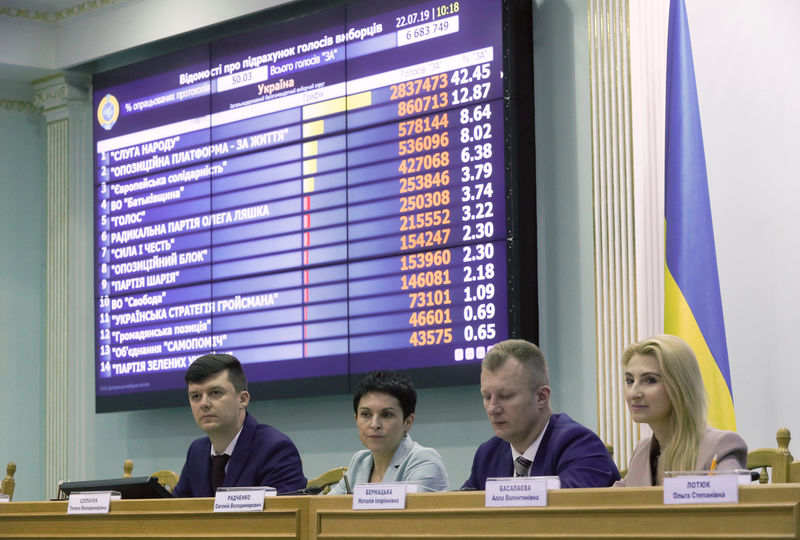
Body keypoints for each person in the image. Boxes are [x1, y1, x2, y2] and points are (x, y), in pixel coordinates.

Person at [463, 339, 619, 489]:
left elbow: (564, 512)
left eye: (506, 396)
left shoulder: (580, 446)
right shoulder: (488, 454)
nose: (492, 408)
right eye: (487, 397)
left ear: (541, 397)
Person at [615, 335, 747, 486]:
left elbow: (732, 504)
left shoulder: (720, 446)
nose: (633, 393)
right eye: (630, 381)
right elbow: (606, 502)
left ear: (680, 386)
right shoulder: (642, 451)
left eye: (650, 380)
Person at [172, 353, 306, 496]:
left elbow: (285, 515)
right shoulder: (196, 452)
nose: (204, 403)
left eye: (215, 393)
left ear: (242, 399)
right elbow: (175, 510)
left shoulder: (275, 449)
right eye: (196, 396)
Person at [328, 370, 448, 494]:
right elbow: (326, 508)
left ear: (408, 422)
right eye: (366, 414)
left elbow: (411, 513)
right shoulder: (359, 461)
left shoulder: (425, 462)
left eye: (386, 415)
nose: (374, 424)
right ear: (356, 419)